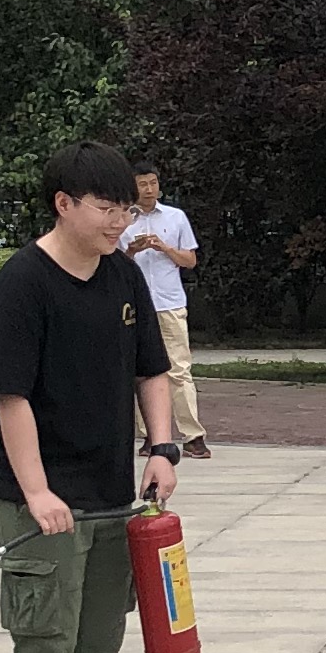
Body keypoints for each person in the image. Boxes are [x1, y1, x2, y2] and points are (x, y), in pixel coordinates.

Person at [0, 140, 182, 653]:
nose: (120, 222)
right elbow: (12, 398)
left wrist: (162, 448)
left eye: (126, 208)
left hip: (111, 495)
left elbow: (151, 370)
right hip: (41, 499)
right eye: (106, 208)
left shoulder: (122, 275)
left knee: (98, 641)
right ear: (63, 204)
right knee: (47, 641)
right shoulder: (23, 282)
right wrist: (38, 492)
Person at [120, 166, 213, 459]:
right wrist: (132, 251)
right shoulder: (122, 220)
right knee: (140, 371)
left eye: (153, 183)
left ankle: (193, 435)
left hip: (169, 303)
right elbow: (113, 265)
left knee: (179, 369)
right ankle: (151, 435)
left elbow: (190, 260)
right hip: (136, 305)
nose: (149, 189)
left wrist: (164, 248)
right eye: (143, 184)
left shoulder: (176, 217)